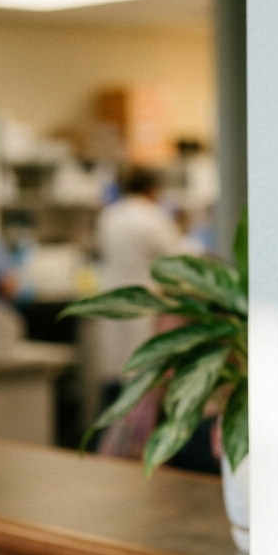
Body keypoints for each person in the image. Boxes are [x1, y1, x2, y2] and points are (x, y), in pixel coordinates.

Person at [93, 168, 199, 458]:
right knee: (143, 379)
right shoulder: (153, 218)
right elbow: (180, 258)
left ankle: (117, 443)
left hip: (114, 299)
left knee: (120, 374)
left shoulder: (110, 215)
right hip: (144, 304)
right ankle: (135, 443)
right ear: (153, 189)